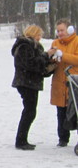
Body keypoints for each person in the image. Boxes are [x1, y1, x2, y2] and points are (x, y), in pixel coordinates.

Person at [11, 25, 55, 150]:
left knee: (30, 111)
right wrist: (47, 55)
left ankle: (22, 139)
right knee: (29, 112)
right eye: (39, 35)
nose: (40, 38)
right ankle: (21, 140)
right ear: (33, 34)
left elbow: (39, 66)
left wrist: (50, 66)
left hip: (30, 83)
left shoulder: (33, 47)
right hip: (26, 83)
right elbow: (31, 64)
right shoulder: (24, 46)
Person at [49, 19, 78, 147]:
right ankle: (63, 138)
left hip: (74, 83)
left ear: (69, 30)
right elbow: (51, 61)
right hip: (59, 83)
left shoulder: (76, 41)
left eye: (62, 30)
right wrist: (51, 58)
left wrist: (63, 55)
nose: (60, 33)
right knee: (61, 112)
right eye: (58, 30)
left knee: (75, 111)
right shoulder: (55, 43)